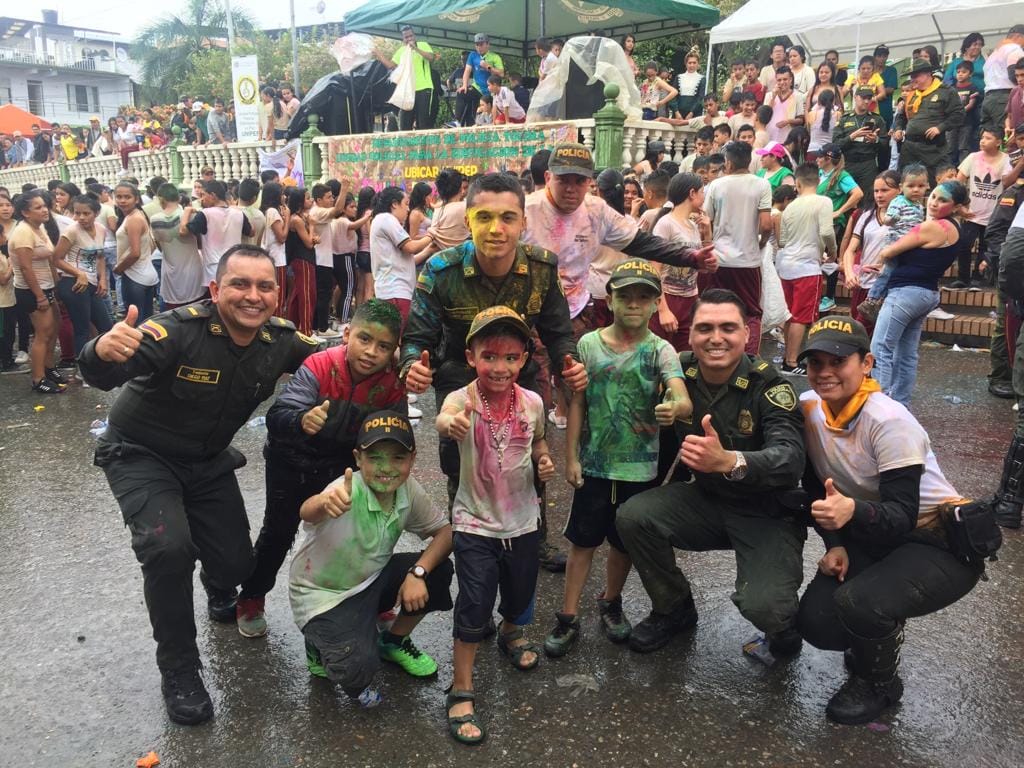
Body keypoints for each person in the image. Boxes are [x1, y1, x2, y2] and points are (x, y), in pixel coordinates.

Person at [79, 244, 319, 725]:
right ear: (215, 289)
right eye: (239, 284)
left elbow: (336, 362)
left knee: (237, 565)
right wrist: (100, 350)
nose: (252, 296)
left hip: (207, 461)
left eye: (264, 286)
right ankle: (180, 670)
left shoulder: (281, 339)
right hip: (141, 454)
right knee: (168, 550)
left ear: (277, 295)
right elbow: (106, 371)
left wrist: (398, 364)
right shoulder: (177, 330)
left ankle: (217, 585)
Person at [795, 316, 981, 724]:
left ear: (866, 364)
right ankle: (873, 632)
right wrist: (836, 544)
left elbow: (901, 514)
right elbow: (817, 489)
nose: (825, 372)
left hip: (937, 541)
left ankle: (879, 683)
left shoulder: (889, 421)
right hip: (875, 533)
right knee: (817, 622)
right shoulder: (808, 407)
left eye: (838, 361)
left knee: (860, 603)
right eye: (815, 363)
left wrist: (853, 511)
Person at [401, 173, 585, 571]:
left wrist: (568, 364)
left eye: (507, 217)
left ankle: (533, 538)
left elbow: (558, 333)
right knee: (459, 460)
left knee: (530, 458)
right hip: (460, 376)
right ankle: (467, 537)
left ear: (522, 222)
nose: (496, 229)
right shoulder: (441, 270)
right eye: (484, 217)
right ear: (468, 220)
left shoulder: (541, 268)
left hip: (520, 375)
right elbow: (416, 338)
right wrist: (411, 367)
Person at [616, 288, 806, 655]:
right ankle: (674, 609)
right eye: (705, 328)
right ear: (690, 334)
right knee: (633, 517)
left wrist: (729, 461)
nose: (716, 338)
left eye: (727, 328)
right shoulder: (679, 373)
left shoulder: (770, 386)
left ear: (747, 334)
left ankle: (782, 626)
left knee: (766, 607)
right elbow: (622, 377)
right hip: (707, 501)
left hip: (766, 512)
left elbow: (790, 458)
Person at [544, 259, 692, 658]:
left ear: (656, 303)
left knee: (623, 542)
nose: (634, 304)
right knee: (582, 541)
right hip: (595, 465)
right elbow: (577, 403)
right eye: (625, 296)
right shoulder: (588, 346)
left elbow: (681, 395)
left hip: (640, 469)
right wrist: (571, 457)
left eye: (644, 297)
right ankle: (568, 615)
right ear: (609, 300)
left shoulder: (661, 350)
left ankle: (610, 601)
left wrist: (674, 406)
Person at [239, 300, 409, 637]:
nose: (371, 352)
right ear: (347, 334)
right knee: (278, 532)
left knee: (362, 533)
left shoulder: (392, 384)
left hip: (343, 467)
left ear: (394, 351)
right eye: (364, 339)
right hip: (291, 460)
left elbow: (394, 435)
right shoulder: (319, 364)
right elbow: (277, 416)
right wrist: (302, 419)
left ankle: (372, 601)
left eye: (383, 346)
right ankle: (252, 597)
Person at [436, 306, 555, 744]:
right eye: (489, 356)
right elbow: (445, 419)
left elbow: (539, 440)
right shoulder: (462, 399)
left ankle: (509, 633)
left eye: (509, 357)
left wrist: (544, 459)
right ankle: (462, 688)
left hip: (523, 521)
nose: (499, 367)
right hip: (474, 522)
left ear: (523, 359)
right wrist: (451, 424)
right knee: (473, 603)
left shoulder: (533, 402)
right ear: (471, 357)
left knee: (520, 591)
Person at [292, 409, 453, 708]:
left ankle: (393, 641)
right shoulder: (344, 490)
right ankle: (317, 643)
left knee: (438, 569)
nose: (386, 468)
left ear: (412, 459)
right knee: (357, 669)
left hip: (371, 579)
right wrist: (323, 502)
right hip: (324, 596)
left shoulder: (408, 489)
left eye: (397, 457)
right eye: (375, 457)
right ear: (358, 458)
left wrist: (417, 573)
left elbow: (445, 532)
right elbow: (307, 512)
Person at [871, 181, 969, 406]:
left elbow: (889, 251)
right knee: (906, 354)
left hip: (906, 294)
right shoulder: (955, 228)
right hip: (926, 294)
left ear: (955, 206)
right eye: (933, 196)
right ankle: (900, 405)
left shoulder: (931, 227)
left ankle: (878, 407)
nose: (934, 203)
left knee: (880, 348)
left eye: (942, 200)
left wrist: (885, 257)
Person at [702, 140, 773, 351]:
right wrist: (760, 243)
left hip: (719, 261)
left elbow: (706, 221)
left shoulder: (716, 185)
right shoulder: (762, 185)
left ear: (728, 163)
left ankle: (718, 352)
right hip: (748, 262)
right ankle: (749, 358)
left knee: (716, 309)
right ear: (749, 161)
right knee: (751, 313)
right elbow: (766, 225)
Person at [775, 163, 837, 373]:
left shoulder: (790, 207)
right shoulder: (824, 202)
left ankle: (787, 357)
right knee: (801, 317)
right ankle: (792, 362)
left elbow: (783, 241)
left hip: (786, 266)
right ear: (818, 182)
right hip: (807, 267)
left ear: (798, 184)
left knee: (789, 315)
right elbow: (827, 231)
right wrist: (832, 251)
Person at [854, 164, 929, 324]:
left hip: (909, 247)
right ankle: (872, 300)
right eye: (876, 191)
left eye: (884, 190)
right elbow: (850, 247)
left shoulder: (919, 207)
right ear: (902, 188)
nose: (879, 195)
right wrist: (850, 271)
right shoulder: (896, 203)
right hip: (893, 248)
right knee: (887, 272)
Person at [52, 195, 114, 360]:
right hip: (73, 283)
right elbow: (56, 259)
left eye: (86, 213)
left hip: (92, 281)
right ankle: (84, 367)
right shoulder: (71, 231)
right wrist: (78, 273)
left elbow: (100, 256)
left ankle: (104, 361)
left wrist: (102, 279)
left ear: (96, 213)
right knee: (82, 329)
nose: (81, 217)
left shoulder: (101, 229)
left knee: (106, 325)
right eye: (77, 213)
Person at [893, 58, 966, 183]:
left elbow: (958, 115)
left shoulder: (946, 91)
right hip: (910, 148)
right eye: (911, 76)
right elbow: (901, 116)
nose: (912, 79)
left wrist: (940, 128)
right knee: (907, 182)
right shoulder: (911, 94)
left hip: (933, 148)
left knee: (933, 182)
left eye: (916, 76)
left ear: (927, 74)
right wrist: (898, 129)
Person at [954, 128, 1010, 288]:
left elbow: (1007, 182)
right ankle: (962, 278)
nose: (982, 141)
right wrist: (961, 206)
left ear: (998, 142)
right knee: (964, 244)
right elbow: (958, 182)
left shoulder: (1006, 160)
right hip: (971, 213)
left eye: (988, 138)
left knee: (984, 248)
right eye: (982, 137)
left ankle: (978, 278)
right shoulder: (973, 157)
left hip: (993, 215)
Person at [369, 188, 432, 331]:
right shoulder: (386, 219)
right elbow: (410, 247)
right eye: (406, 204)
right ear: (394, 204)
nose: (408, 209)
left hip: (395, 291)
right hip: (395, 291)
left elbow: (408, 260)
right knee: (397, 337)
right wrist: (431, 235)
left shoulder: (384, 221)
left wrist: (429, 250)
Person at [816, 144, 864, 312]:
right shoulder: (820, 173)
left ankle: (829, 296)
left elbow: (858, 193)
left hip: (834, 224)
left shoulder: (842, 176)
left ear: (828, 159)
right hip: (818, 221)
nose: (817, 159)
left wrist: (839, 211)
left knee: (831, 258)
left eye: (820, 156)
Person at [182, 179, 252, 288]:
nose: (202, 199)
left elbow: (183, 231)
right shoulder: (239, 213)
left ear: (213, 195)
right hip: (235, 265)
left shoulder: (205, 214)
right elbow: (251, 232)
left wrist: (187, 212)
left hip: (213, 269)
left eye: (203, 195)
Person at [149, 183, 204, 309]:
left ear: (160, 199)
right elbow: (200, 243)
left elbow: (160, 246)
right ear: (179, 198)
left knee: (173, 313)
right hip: (192, 270)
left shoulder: (154, 220)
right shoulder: (190, 216)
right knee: (196, 311)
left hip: (170, 272)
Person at [377, 26, 438, 130]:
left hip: (423, 89)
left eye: (411, 36)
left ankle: (423, 140)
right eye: (406, 37)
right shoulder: (401, 51)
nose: (409, 39)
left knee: (423, 123)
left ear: (414, 36)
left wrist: (415, 48)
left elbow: (431, 57)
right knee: (405, 123)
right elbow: (391, 66)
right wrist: (378, 53)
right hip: (407, 91)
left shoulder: (423, 45)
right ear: (403, 39)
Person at [832, 88, 885, 197]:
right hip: (848, 163)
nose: (866, 101)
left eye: (869, 98)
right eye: (863, 98)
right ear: (855, 97)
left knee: (868, 196)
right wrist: (852, 137)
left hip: (868, 163)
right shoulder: (844, 119)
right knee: (846, 196)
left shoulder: (877, 119)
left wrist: (875, 140)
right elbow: (836, 144)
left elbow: (885, 144)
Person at [982, 26, 1024, 137]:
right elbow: (1013, 74)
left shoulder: (994, 54)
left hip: (988, 98)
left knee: (990, 137)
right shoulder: (1015, 49)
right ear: (1018, 36)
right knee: (1007, 135)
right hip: (1004, 97)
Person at [457, 34, 504, 128]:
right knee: (462, 93)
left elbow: (501, 74)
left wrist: (488, 67)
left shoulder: (495, 57)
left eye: (481, 44)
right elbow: (467, 71)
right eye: (477, 45)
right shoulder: (473, 55)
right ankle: (457, 121)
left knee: (484, 110)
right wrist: (464, 85)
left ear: (488, 44)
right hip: (477, 87)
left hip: (490, 91)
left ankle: (490, 125)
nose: (479, 47)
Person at [948, 61, 982, 165]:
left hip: (966, 123)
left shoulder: (973, 88)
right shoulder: (952, 88)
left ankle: (963, 169)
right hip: (952, 123)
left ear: (970, 74)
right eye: (958, 72)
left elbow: (971, 104)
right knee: (950, 147)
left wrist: (958, 112)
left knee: (963, 147)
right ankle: (950, 168)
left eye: (964, 72)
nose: (960, 74)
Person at [764, 66, 805, 144]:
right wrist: (773, 97)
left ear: (790, 80)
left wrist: (788, 121)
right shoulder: (769, 95)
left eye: (785, 79)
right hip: (769, 138)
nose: (782, 82)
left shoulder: (798, 96)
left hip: (787, 140)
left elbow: (800, 120)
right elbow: (764, 115)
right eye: (779, 80)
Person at [807, 90, 839, 161]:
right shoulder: (837, 114)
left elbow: (809, 131)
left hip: (813, 150)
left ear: (819, 101)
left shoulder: (812, 114)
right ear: (833, 101)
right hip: (829, 152)